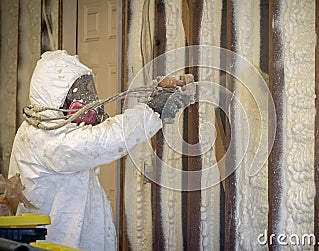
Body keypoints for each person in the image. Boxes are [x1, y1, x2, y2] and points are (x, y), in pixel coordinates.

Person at [8, 50, 188, 250]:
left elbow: (101, 134)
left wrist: (152, 102)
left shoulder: (51, 127)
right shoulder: (44, 139)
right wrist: (153, 111)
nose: (86, 99)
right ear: (54, 95)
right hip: (55, 242)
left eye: (87, 89)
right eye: (77, 92)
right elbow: (103, 141)